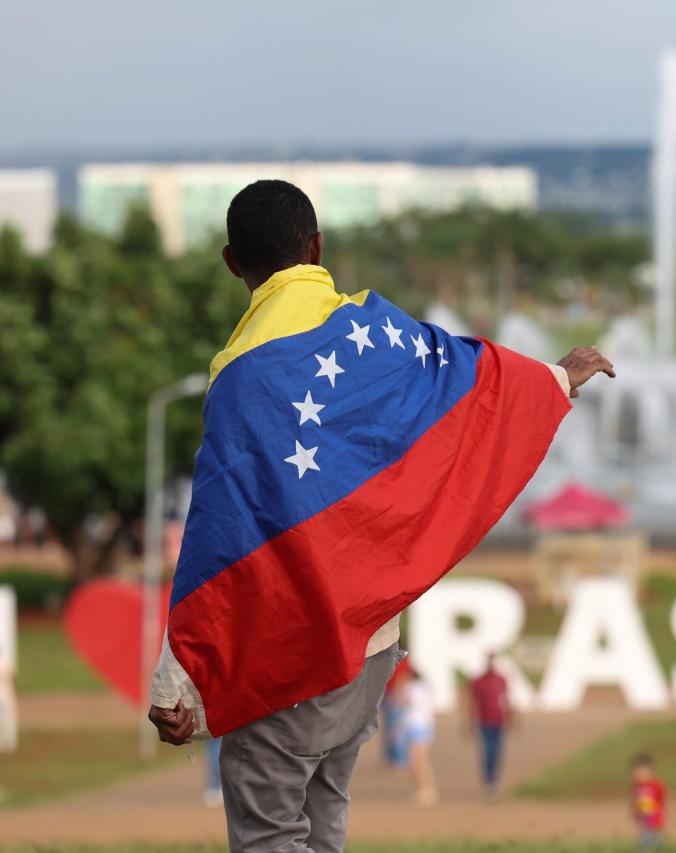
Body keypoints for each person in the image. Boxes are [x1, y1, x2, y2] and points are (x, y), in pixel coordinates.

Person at [146, 180, 615, 852]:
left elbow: (220, 535)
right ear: (317, 247)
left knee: (270, 833)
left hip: (294, 657)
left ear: (231, 263)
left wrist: (178, 674)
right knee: (324, 823)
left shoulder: (241, 376)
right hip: (370, 651)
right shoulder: (376, 331)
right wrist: (557, 377)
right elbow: (472, 378)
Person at [467, 652, 512, 801]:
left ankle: (494, 779)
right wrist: (470, 723)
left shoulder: (501, 679)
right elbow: (472, 703)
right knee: (488, 751)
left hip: (499, 720)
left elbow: (507, 700)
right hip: (484, 721)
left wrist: (512, 718)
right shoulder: (478, 681)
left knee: (497, 751)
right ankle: (488, 780)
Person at [396, 668, 438, 805]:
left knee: (419, 761)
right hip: (425, 726)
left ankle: (427, 789)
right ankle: (421, 788)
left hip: (416, 727)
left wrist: (401, 685)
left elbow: (400, 700)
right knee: (415, 761)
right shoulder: (425, 688)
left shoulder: (412, 688)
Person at [630, 753, 668, 850]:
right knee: (647, 841)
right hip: (644, 821)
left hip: (654, 821)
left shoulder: (655, 785)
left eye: (641, 771)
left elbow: (665, 800)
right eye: (635, 772)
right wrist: (634, 813)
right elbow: (634, 802)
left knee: (648, 843)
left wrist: (666, 816)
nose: (637, 774)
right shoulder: (636, 787)